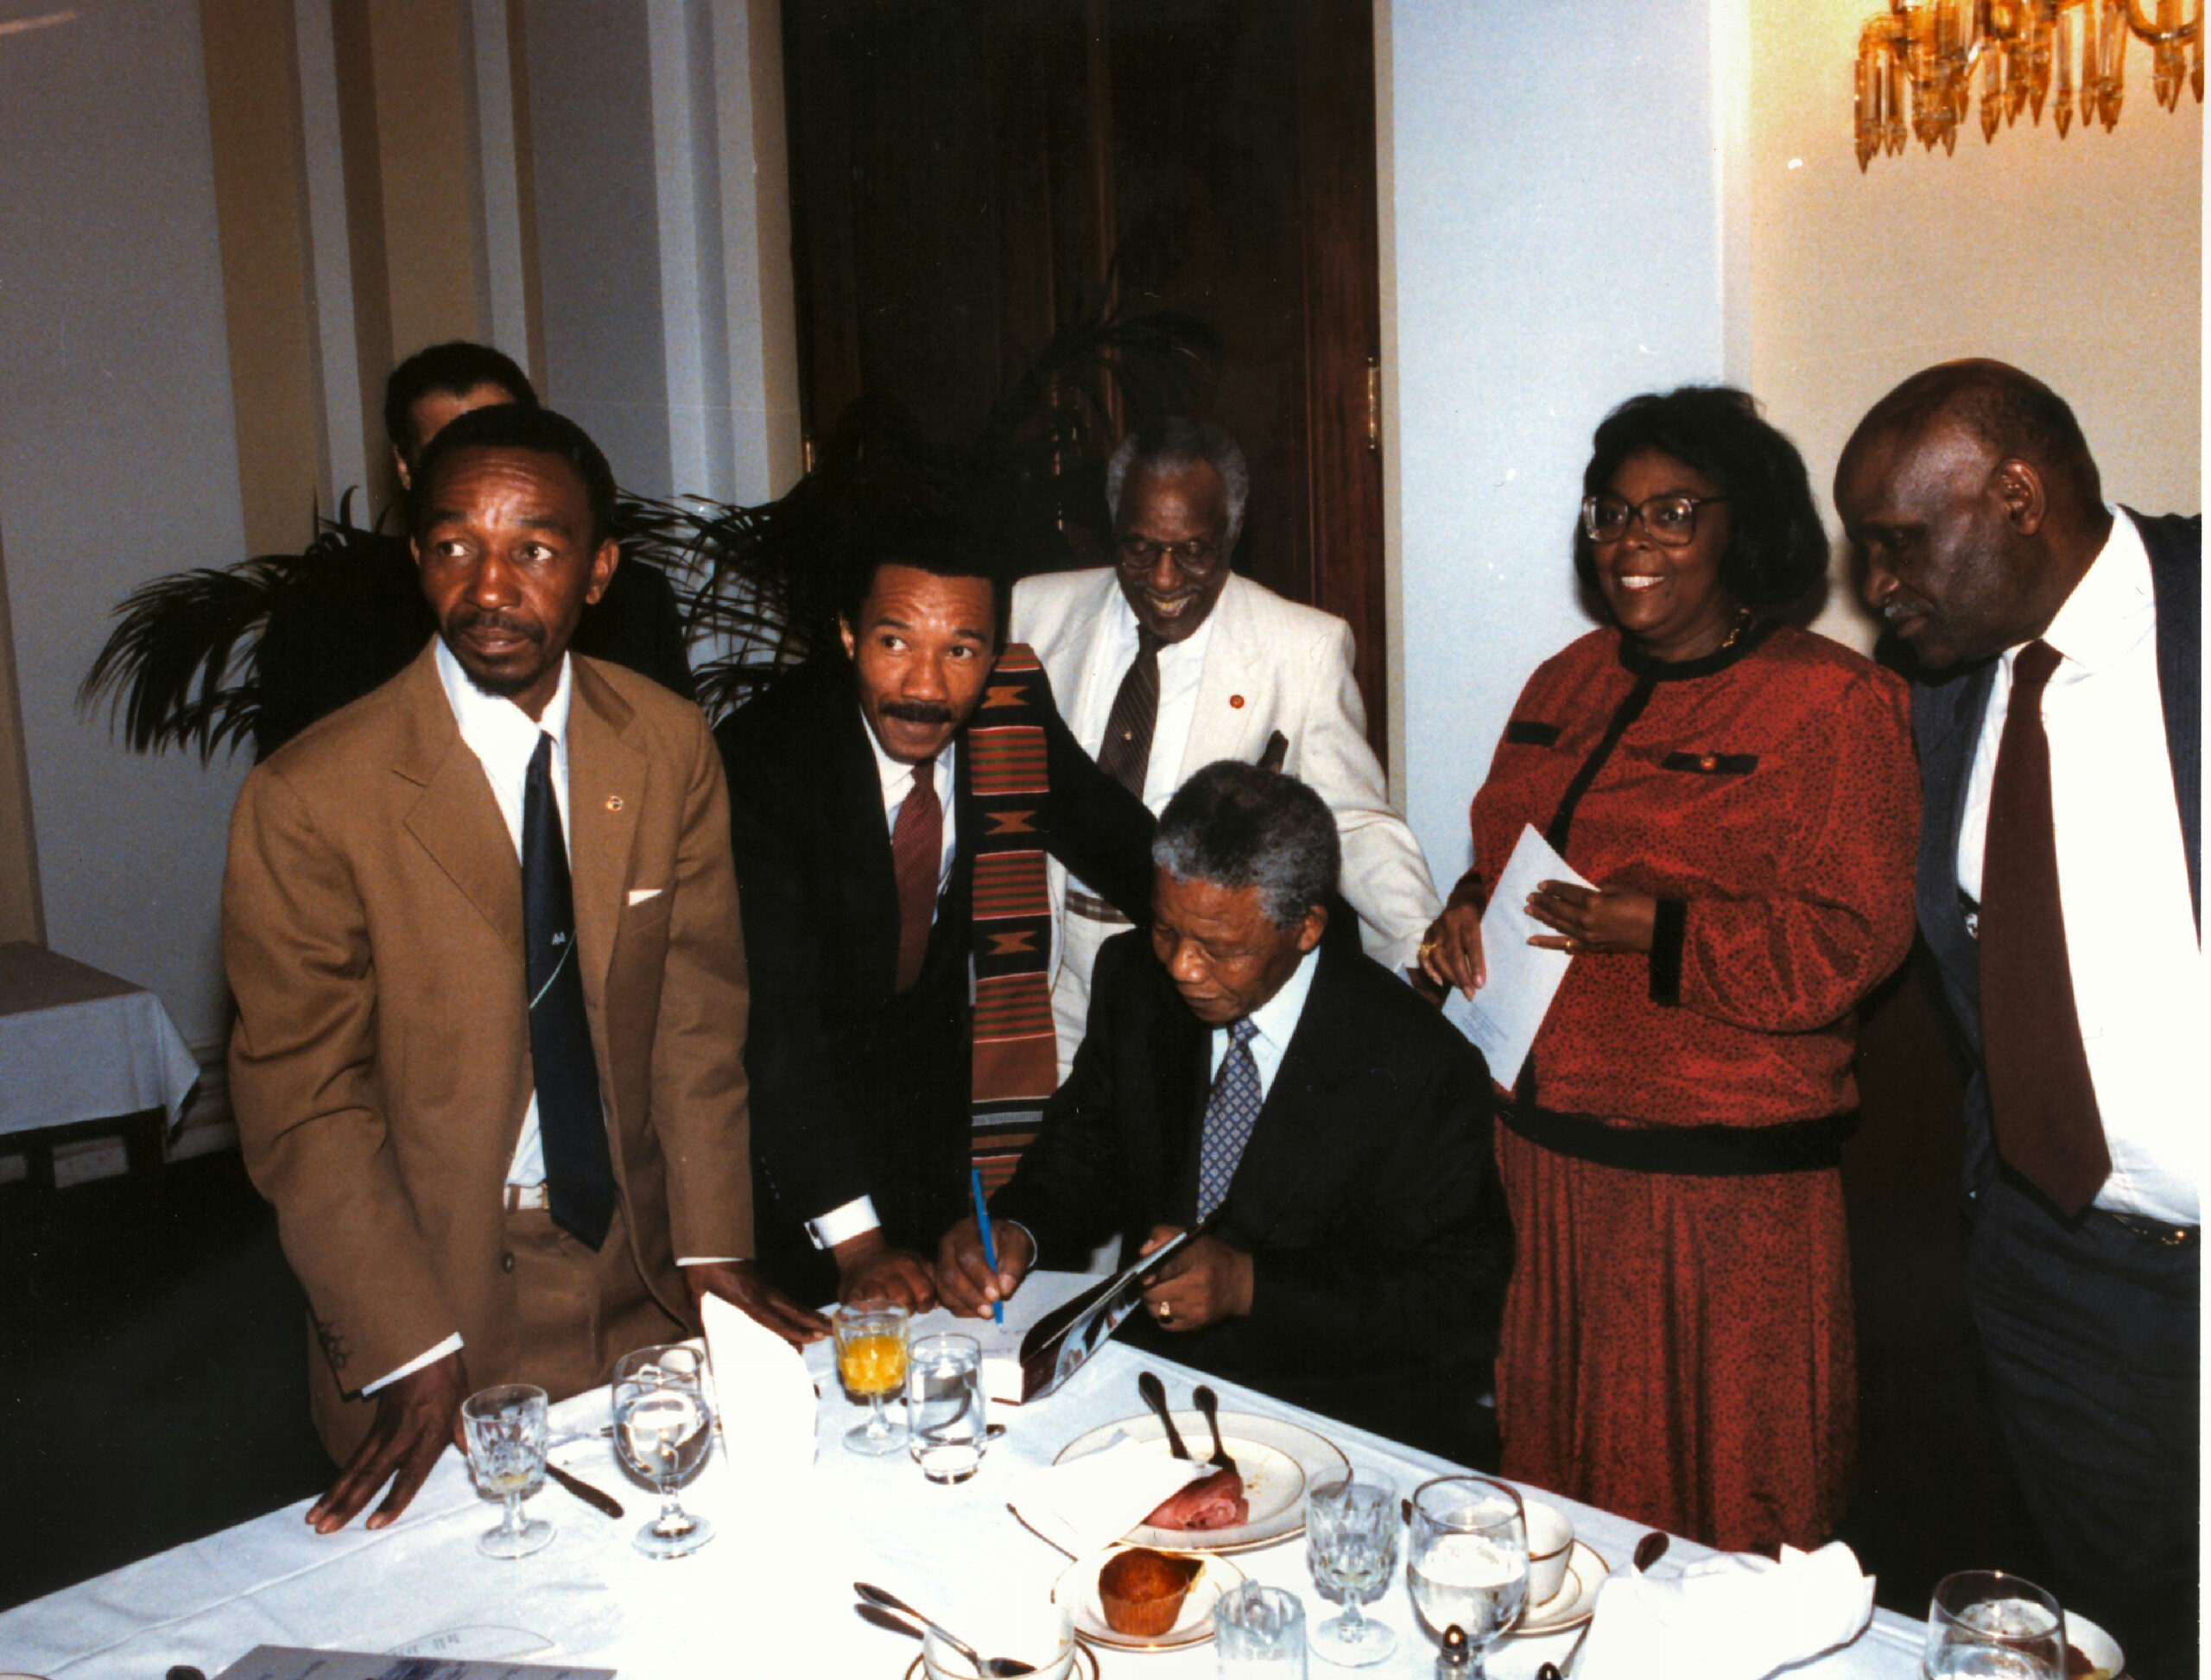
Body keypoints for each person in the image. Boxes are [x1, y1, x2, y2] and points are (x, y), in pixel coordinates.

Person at [224, 404, 818, 1536]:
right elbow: (307, 1108)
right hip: (438, 1296)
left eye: (534, 550)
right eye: (457, 546)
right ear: (417, 561)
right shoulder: (312, 797)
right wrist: (408, 1340)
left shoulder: (665, 746)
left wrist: (713, 1250)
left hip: (644, 1285)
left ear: (597, 571)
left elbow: (696, 1023)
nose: (491, 586)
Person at [1421, 386, 1918, 1551]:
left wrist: (1661, 930)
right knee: (1557, 1518)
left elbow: (1851, 943)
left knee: (1728, 1518)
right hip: (1546, 1172)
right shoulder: (1564, 681)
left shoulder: (1834, 704)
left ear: (1742, 529)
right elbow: (1509, 858)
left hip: (1715, 1201)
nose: (1630, 541)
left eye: (1673, 513)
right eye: (1611, 512)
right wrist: (1463, 913)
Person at [1837, 360, 2200, 1679]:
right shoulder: (1946, 692)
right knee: (2129, 1632)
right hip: (2062, 1276)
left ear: (2018, 496)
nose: (1877, 588)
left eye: (1897, 545)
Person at [936, 762, 1507, 1461]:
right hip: (1156, 1394)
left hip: (1337, 1419)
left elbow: (1456, 1309)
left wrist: (1249, 1287)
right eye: (1166, 930)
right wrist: (1015, 1226)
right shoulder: (1135, 984)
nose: (1183, 967)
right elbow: (1080, 1154)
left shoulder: (1417, 1063)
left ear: (1306, 927)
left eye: (1221, 948)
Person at [715, 517, 1156, 1313]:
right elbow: (776, 1026)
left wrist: (1281, 934)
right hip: (786, 1154)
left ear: (995, 654)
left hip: (930, 1139)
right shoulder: (767, 759)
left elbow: (1139, 856)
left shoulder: (1008, 722)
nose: (925, 686)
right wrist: (858, 1243)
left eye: (960, 650)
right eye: (895, 642)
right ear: (849, 635)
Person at [1012, 418, 1442, 1075]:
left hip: (1194, 988)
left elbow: (1352, 825)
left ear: (1232, 535)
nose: (1162, 578)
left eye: (1193, 551)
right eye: (1139, 548)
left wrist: (1421, 948)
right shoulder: (1033, 613)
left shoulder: (1302, 649)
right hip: (1052, 983)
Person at [252, 340, 694, 758]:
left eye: (500, 439)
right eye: (445, 453)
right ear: (405, 469)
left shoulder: (633, 600)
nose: (479, 471)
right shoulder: (326, 617)